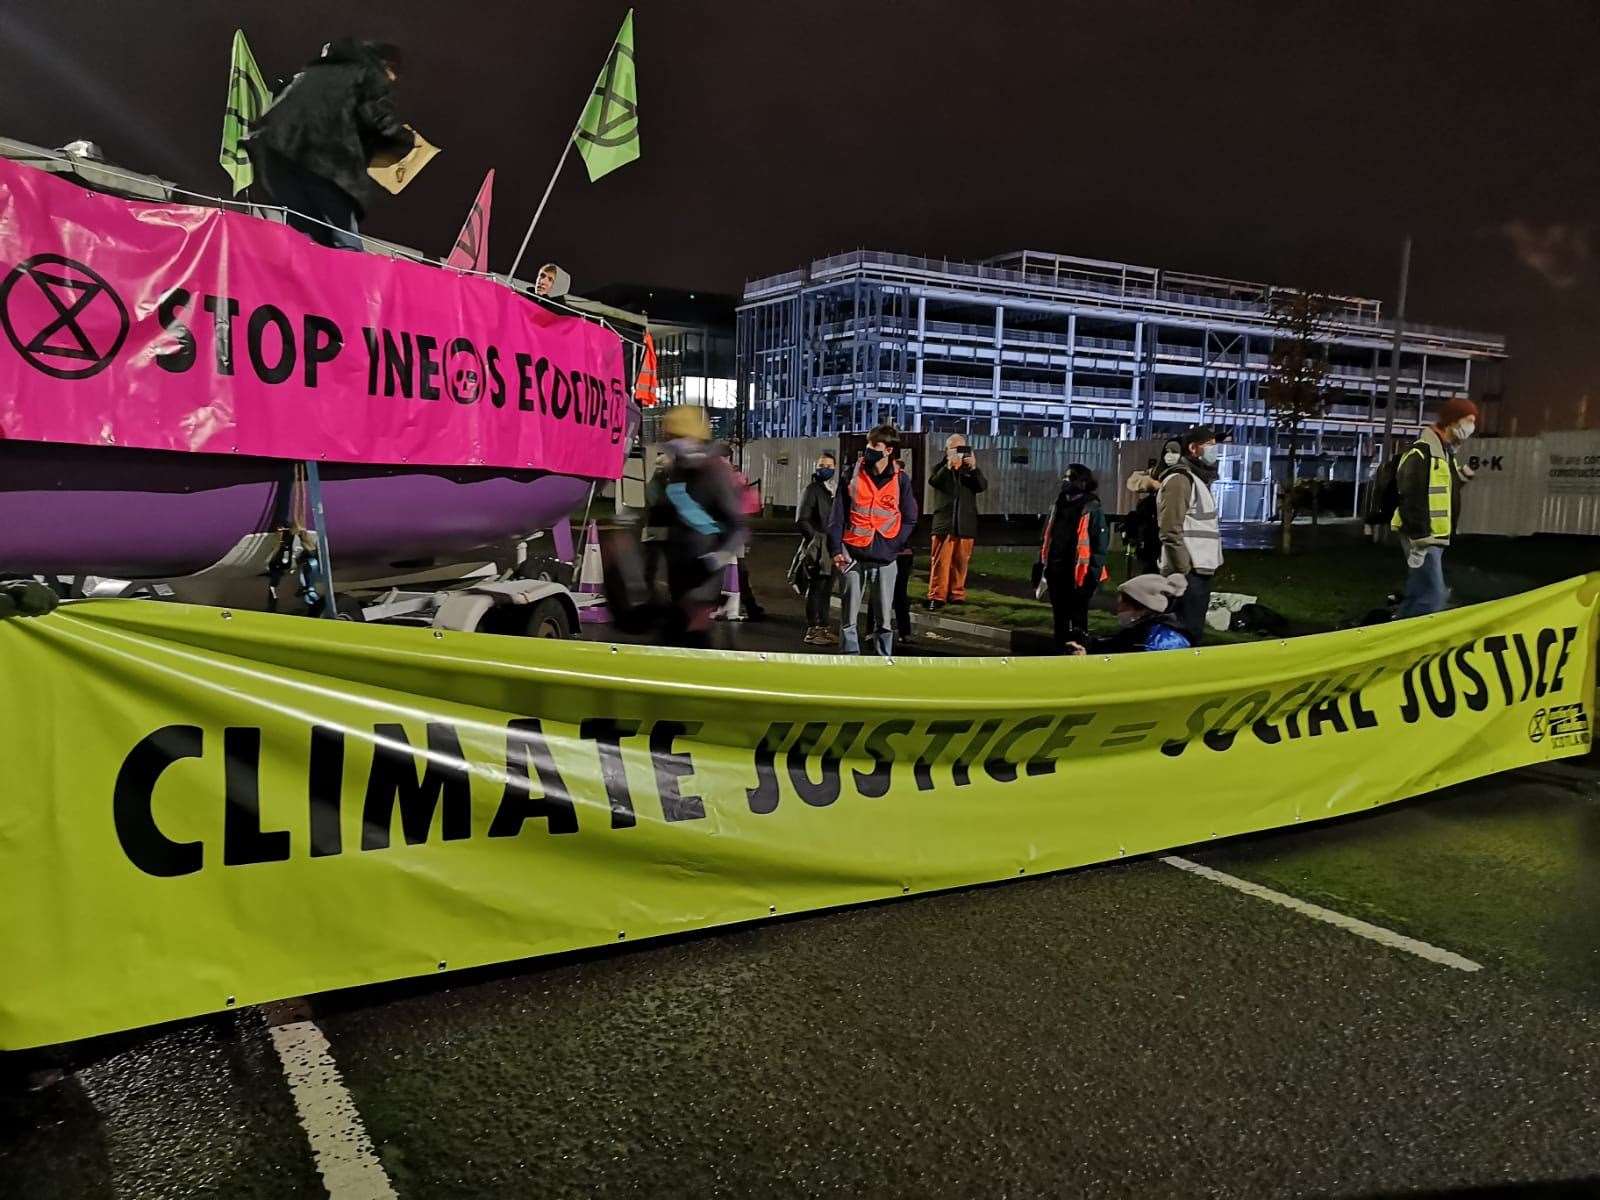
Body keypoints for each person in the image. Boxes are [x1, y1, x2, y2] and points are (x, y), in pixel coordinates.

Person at [246, 39, 414, 250]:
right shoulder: (365, 75)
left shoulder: (311, 76)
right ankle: (344, 266)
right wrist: (403, 141)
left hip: (276, 157)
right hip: (321, 163)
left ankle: (304, 261)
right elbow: (379, 123)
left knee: (304, 232)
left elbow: (278, 110)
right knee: (343, 239)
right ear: (385, 66)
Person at [828, 424, 919, 655]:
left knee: (884, 620)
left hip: (885, 557)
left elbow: (910, 517)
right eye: (869, 444)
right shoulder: (852, 474)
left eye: (875, 445)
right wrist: (836, 549)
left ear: (888, 450)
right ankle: (849, 660)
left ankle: (882, 662)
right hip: (853, 554)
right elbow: (838, 515)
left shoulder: (901, 480)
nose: (869, 449)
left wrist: (895, 544)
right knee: (848, 618)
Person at [658, 408, 745, 647]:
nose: (671, 442)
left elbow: (737, 526)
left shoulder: (714, 472)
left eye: (676, 436)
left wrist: (717, 557)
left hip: (702, 581)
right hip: (678, 575)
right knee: (675, 642)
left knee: (692, 641)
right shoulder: (678, 471)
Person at [1392, 397, 1478, 618]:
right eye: (1468, 420)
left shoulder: (1444, 453)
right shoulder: (1422, 452)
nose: (1471, 427)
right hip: (1422, 536)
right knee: (1433, 596)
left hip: (1434, 535)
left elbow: (1440, 488)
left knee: (1418, 592)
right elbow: (1409, 494)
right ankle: (1412, 642)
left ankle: (1394, 637)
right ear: (1451, 421)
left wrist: (1461, 477)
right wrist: (1420, 536)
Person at [1158, 426, 1225, 643]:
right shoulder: (1181, 480)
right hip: (1188, 572)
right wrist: (1183, 569)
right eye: (1209, 444)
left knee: (1192, 632)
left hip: (1199, 570)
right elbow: (1170, 530)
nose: (1214, 449)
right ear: (1193, 448)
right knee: (1184, 633)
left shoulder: (1198, 479)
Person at [1037, 464, 1110, 650]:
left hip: (1079, 573)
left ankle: (1078, 652)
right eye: (1065, 477)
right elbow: (1048, 536)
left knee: (1078, 618)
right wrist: (1042, 566)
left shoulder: (1091, 507)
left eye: (1070, 478)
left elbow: (1099, 546)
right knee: (1059, 616)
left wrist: (1093, 574)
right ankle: (1059, 649)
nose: (1065, 481)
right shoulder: (1059, 503)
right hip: (1055, 569)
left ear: (1082, 482)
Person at [926, 434, 988, 610]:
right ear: (947, 451)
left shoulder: (970, 471)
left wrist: (974, 467)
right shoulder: (939, 468)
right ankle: (937, 595)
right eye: (955, 449)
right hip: (944, 523)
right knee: (941, 562)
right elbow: (937, 482)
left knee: (961, 561)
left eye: (962, 449)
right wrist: (948, 466)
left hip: (965, 523)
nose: (959, 453)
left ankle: (957, 593)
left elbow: (982, 486)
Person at [1064, 574, 1192, 655]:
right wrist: (1090, 644)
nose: (1117, 609)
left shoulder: (1156, 641)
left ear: (1140, 606)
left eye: (1122, 604)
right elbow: (1116, 645)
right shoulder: (1146, 631)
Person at [715, 441, 767, 620]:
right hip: (734, 530)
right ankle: (747, 606)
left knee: (730, 570)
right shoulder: (734, 476)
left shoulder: (724, 476)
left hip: (725, 531)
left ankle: (734, 606)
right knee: (738, 570)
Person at [795, 451, 839, 645]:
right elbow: (801, 519)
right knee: (816, 588)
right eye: (822, 465)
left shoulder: (832, 490)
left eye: (829, 466)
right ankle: (813, 629)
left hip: (832, 547)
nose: (825, 469)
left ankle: (824, 626)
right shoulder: (812, 489)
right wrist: (816, 540)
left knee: (826, 589)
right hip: (819, 547)